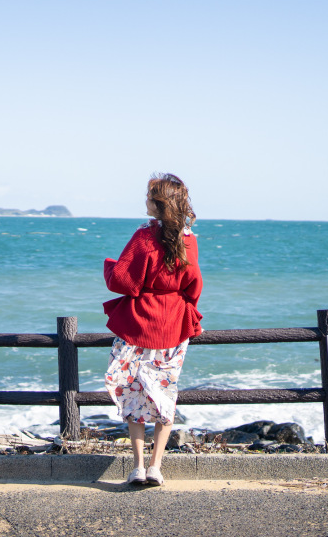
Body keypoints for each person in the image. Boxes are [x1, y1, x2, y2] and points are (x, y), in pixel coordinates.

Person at [103, 173, 203, 486]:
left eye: (148, 197)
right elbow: (194, 283)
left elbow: (122, 280)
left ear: (158, 204)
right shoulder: (189, 239)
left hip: (138, 323)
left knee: (133, 393)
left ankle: (137, 467)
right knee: (164, 394)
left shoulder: (144, 237)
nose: (144, 201)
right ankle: (156, 466)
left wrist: (108, 264)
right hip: (173, 324)